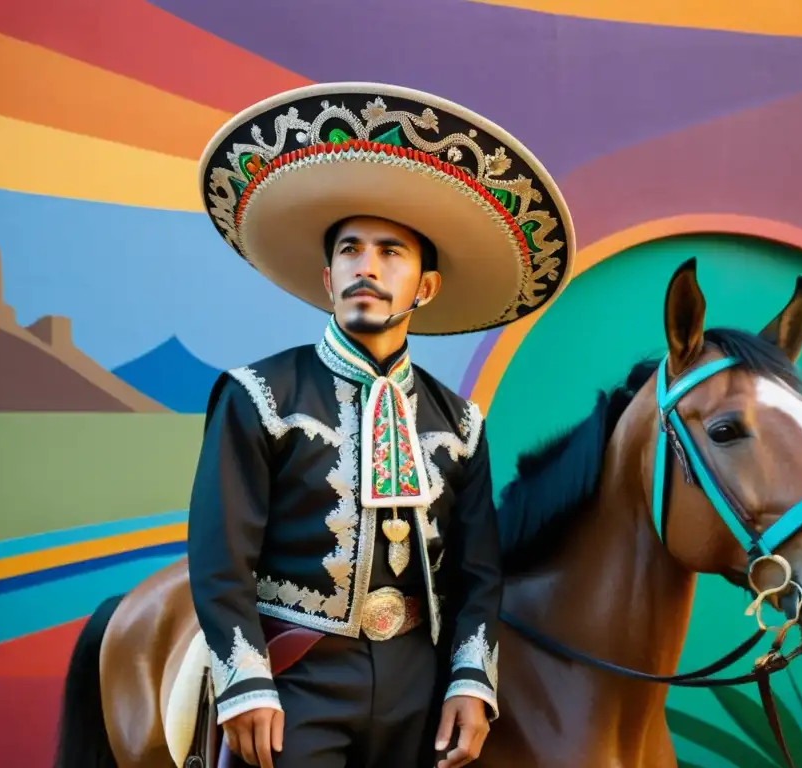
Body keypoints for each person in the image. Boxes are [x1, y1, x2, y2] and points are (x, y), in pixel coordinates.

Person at [187, 82, 576, 768]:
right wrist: (245, 683)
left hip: (416, 688)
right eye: (350, 251)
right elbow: (221, 559)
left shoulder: (460, 424)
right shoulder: (259, 395)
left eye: (391, 252)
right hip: (294, 676)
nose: (367, 267)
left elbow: (479, 575)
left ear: (424, 287)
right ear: (328, 277)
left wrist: (469, 678)